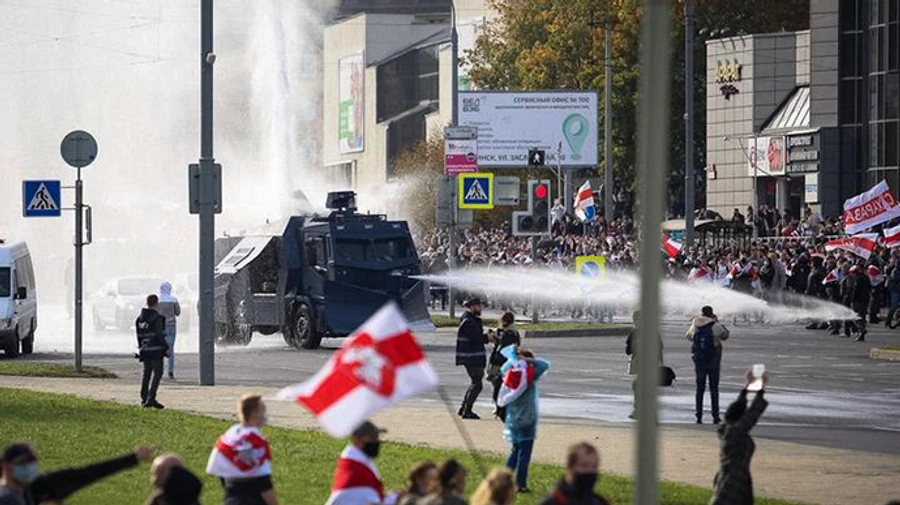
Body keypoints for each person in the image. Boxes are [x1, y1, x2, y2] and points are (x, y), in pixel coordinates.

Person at [0, 443, 154, 505]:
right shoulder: (5, 498)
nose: (28, 467)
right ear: (5, 465)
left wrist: (132, 458)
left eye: (32, 461)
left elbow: (87, 473)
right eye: (22, 462)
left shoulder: (42, 487)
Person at [709, 369, 769, 505]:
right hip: (731, 483)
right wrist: (762, 389)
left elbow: (739, 406)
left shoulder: (728, 429)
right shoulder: (733, 433)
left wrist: (747, 385)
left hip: (740, 482)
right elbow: (751, 416)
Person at [206, 394, 279, 505]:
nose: (265, 416)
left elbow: (219, 471)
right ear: (254, 414)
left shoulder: (228, 437)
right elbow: (263, 483)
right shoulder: (257, 443)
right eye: (263, 412)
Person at [497, 348, 550, 493]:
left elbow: (503, 368)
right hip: (528, 419)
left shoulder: (511, 373)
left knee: (515, 451)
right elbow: (545, 364)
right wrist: (529, 361)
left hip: (513, 419)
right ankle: (520, 483)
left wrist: (514, 360)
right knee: (525, 453)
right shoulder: (530, 375)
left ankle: (504, 480)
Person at [685, 306, 730, 424]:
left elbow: (688, 336)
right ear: (711, 314)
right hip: (713, 359)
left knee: (699, 388)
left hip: (699, 360)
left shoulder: (695, 324)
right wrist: (717, 322)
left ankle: (698, 415)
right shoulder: (715, 325)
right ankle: (715, 415)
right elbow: (725, 336)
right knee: (714, 388)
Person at [325, 421, 385, 505]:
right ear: (357, 440)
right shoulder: (357, 470)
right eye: (372, 438)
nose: (376, 442)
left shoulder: (358, 461)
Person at [539, 442, 611, 505]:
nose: (590, 471)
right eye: (584, 466)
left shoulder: (599, 502)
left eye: (594, 466)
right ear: (569, 466)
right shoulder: (554, 502)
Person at [456, 298, 491, 419]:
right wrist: (488, 337)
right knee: (477, 384)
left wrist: (486, 337)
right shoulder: (469, 321)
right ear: (472, 307)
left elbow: (475, 337)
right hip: (472, 357)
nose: (481, 309)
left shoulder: (471, 319)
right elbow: (475, 339)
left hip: (472, 356)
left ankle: (463, 408)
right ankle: (467, 410)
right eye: (479, 306)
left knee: (475, 382)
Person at [625, 310, 663, 420]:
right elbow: (660, 347)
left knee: (638, 386)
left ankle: (638, 409)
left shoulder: (634, 332)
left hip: (641, 363)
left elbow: (628, 350)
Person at [136, 294, 170, 409]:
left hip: (145, 349)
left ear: (147, 303)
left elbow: (138, 336)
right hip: (156, 350)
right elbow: (159, 335)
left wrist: (141, 348)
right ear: (156, 303)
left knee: (147, 374)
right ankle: (151, 398)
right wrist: (166, 348)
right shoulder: (157, 318)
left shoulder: (139, 319)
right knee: (158, 373)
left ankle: (144, 397)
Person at [488, 312, 521, 420]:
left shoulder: (508, 333)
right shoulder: (513, 332)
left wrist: (495, 339)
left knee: (498, 385)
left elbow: (502, 348)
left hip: (501, 362)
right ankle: (502, 408)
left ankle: (500, 408)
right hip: (510, 361)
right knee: (503, 385)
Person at [157, 282, 181, 380]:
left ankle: (159, 370)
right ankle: (170, 370)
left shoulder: (158, 300)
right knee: (170, 349)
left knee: (159, 349)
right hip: (171, 326)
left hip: (160, 327)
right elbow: (178, 312)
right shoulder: (174, 300)